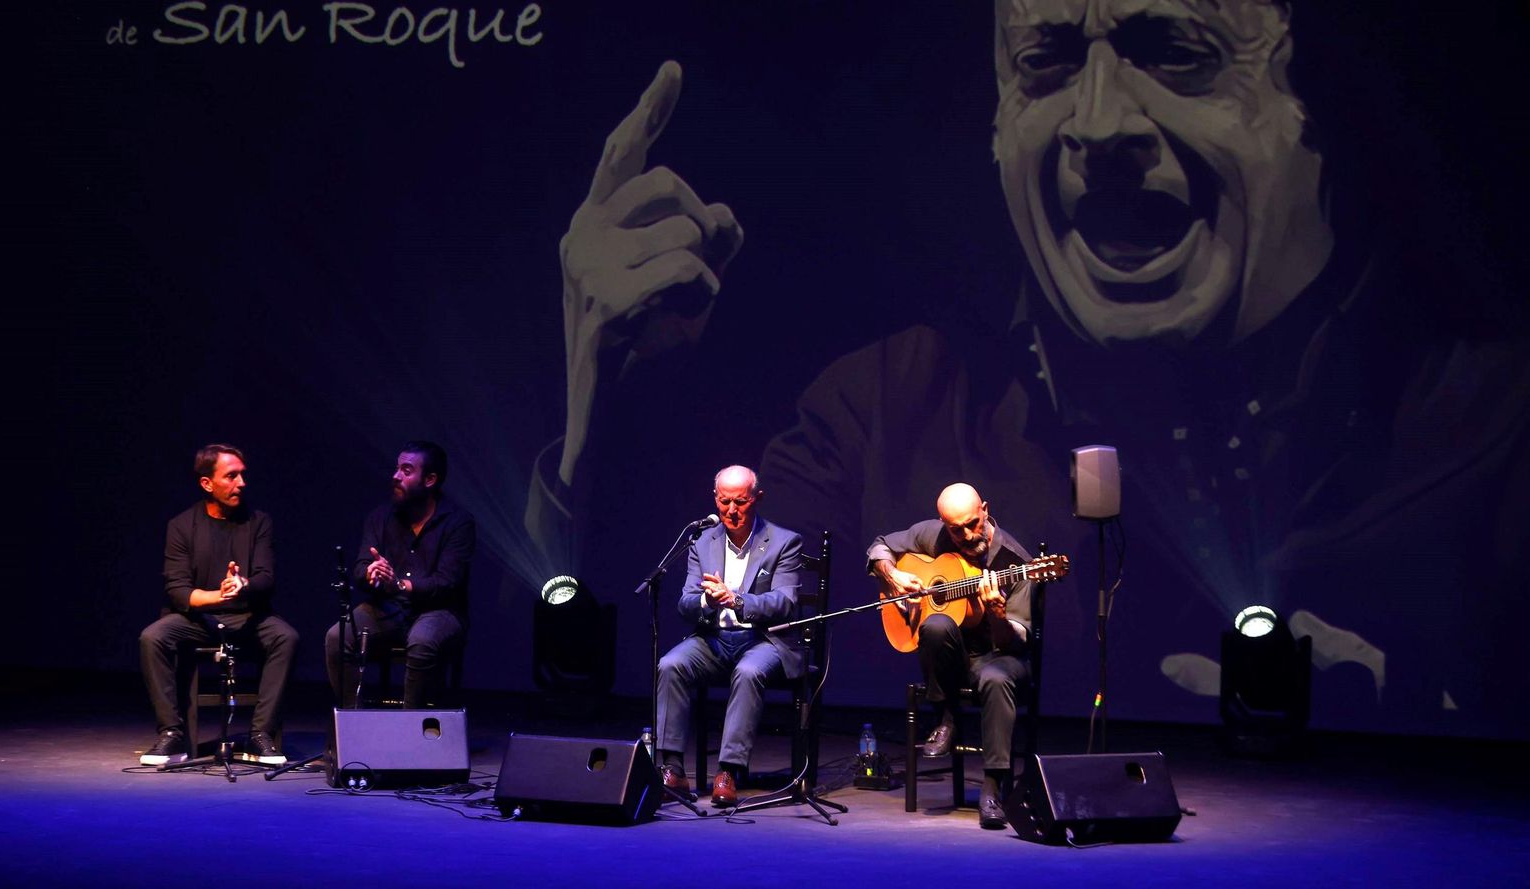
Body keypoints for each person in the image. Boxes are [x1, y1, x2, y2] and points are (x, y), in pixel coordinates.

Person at [530, 0, 1530, 736]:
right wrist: (606, 411)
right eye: (1047, 63)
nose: (1098, 125)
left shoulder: (1493, 435)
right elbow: (692, 608)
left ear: (1317, 112)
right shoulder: (884, 403)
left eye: (1173, 53)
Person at [868, 483, 1034, 830]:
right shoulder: (936, 535)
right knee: (938, 624)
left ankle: (991, 789)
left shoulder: (1015, 562)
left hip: (998, 655)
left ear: (985, 510)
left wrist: (997, 615)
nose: (968, 536)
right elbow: (879, 546)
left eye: (972, 524)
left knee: (996, 678)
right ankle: (947, 717)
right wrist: (894, 575)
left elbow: (1018, 641)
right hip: (952, 659)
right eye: (956, 530)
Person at [138, 444, 299, 766]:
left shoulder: (259, 522)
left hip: (247, 616)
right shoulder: (182, 526)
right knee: (153, 637)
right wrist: (218, 595)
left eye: (242, 475)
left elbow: (267, 578)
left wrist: (243, 585)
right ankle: (172, 734)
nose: (241, 483)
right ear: (207, 483)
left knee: (286, 637)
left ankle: (260, 734)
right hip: (197, 619)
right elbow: (178, 590)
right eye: (231, 476)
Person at [654, 465, 804, 807]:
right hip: (715, 639)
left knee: (749, 672)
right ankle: (673, 768)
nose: (732, 511)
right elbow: (686, 603)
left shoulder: (784, 541)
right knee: (670, 664)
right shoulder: (702, 542)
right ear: (715, 499)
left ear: (757, 499)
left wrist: (736, 599)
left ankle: (729, 771)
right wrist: (708, 598)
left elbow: (785, 602)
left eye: (740, 502)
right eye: (724, 502)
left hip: (764, 641)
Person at [324, 441, 474, 709]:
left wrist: (400, 585)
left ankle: (408, 732)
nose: (395, 476)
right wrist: (372, 573)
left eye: (406, 470)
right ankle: (350, 724)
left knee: (422, 641)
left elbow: (448, 582)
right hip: (388, 609)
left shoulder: (457, 522)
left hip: (440, 610)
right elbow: (359, 567)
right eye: (397, 469)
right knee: (338, 637)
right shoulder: (380, 518)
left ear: (429, 480)